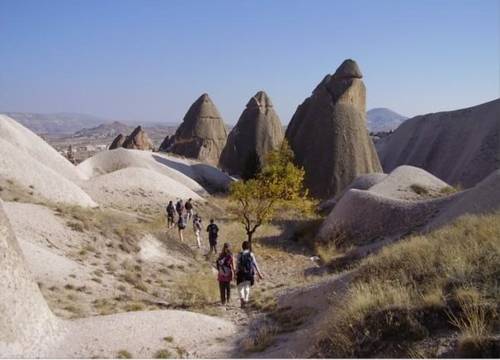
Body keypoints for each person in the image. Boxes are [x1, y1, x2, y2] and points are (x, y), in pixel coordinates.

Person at [235, 241, 264, 309]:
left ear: (242, 246)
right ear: (249, 247)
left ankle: (242, 299)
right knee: (247, 287)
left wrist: (235, 273)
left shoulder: (239, 254)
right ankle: (246, 300)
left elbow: (237, 265)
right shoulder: (251, 254)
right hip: (249, 273)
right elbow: (255, 264)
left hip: (241, 273)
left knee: (240, 287)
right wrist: (259, 273)